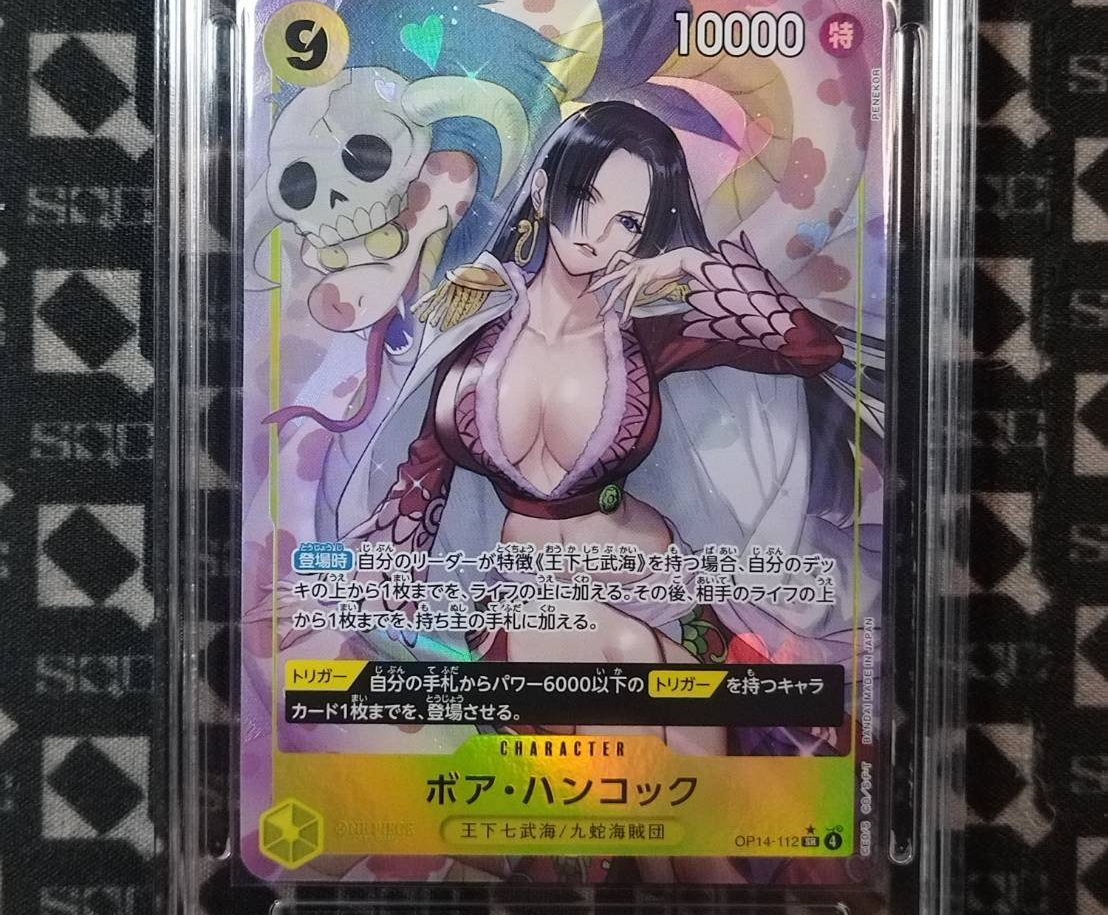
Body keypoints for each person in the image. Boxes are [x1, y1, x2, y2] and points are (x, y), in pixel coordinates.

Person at [336, 100, 848, 759]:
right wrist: (349, 592)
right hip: (531, 605)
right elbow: (421, 478)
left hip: (661, 592)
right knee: (629, 718)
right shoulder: (475, 324)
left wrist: (690, 266)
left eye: (628, 221)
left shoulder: (647, 330)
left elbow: (812, 348)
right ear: (543, 190)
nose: (599, 234)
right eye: (586, 198)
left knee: (704, 794)